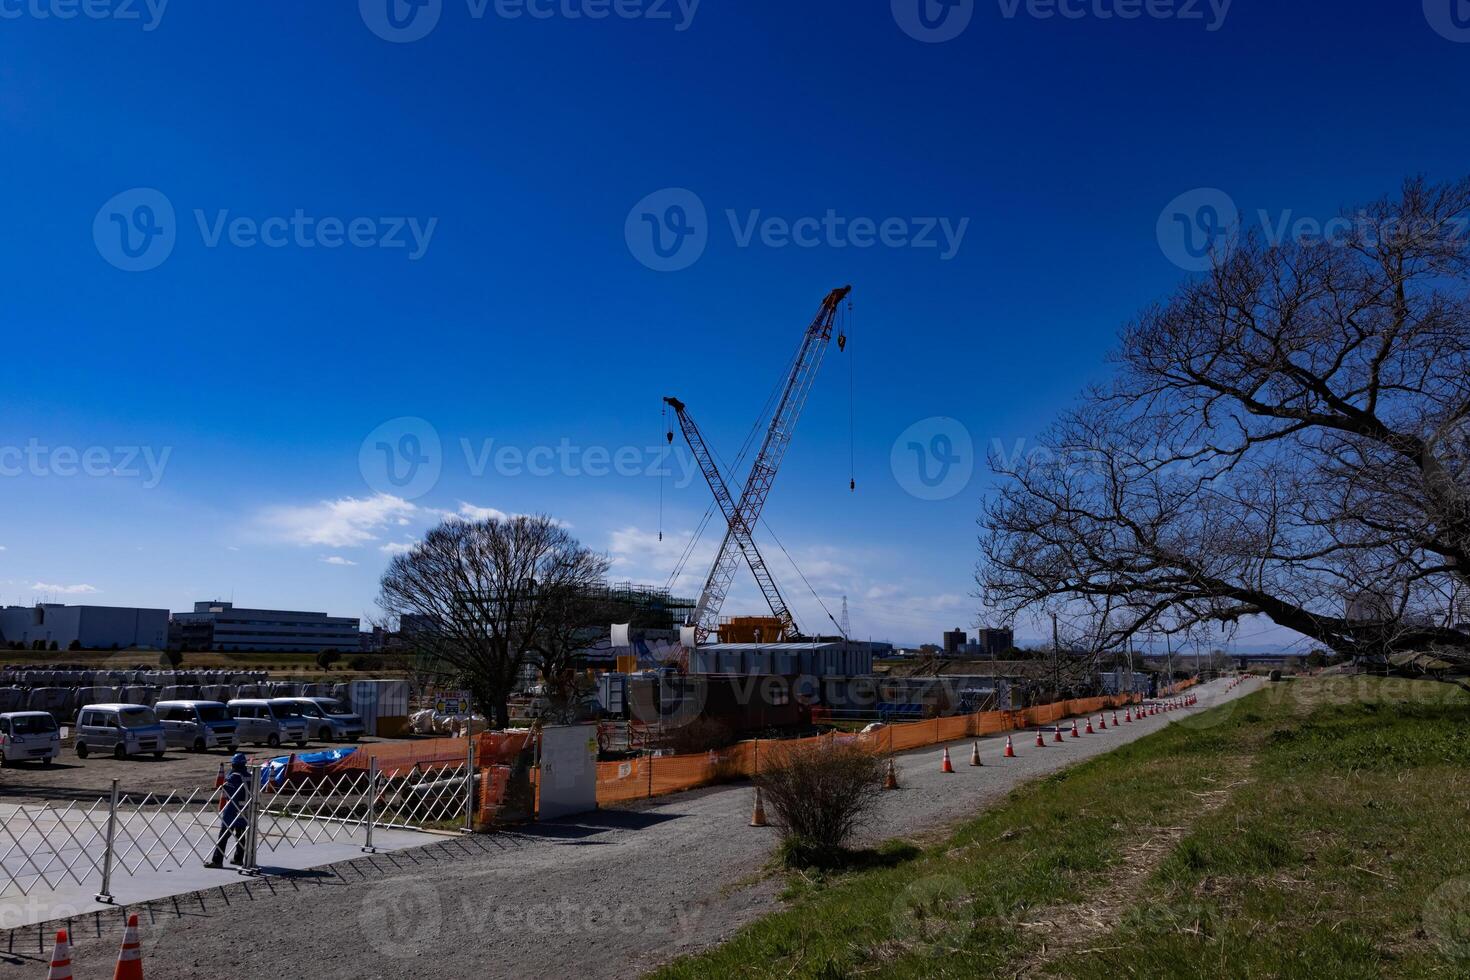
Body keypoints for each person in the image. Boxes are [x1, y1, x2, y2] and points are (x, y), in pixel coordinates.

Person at [206, 753, 250, 868]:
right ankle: (238, 858)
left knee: (223, 835)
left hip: (232, 810)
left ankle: (217, 860)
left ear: (234, 764)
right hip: (245, 809)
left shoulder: (234, 776)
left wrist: (227, 778)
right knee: (240, 835)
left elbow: (227, 791)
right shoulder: (250, 776)